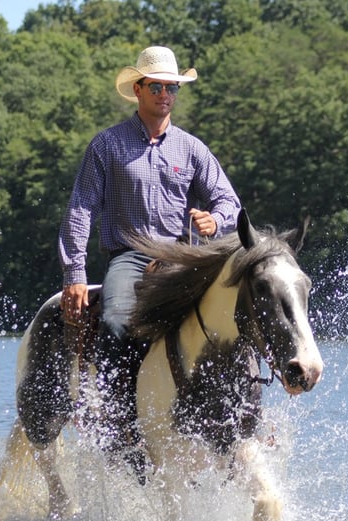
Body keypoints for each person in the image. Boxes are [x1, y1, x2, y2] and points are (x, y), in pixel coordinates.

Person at [57, 46, 242, 476]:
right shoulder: (106, 145)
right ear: (137, 90)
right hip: (130, 257)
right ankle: (121, 423)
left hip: (182, 257)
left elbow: (228, 201)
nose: (165, 94)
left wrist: (215, 220)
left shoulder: (192, 149)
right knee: (118, 320)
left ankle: (241, 418)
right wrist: (75, 274)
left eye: (171, 87)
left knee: (229, 319)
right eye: (156, 86)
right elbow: (81, 209)